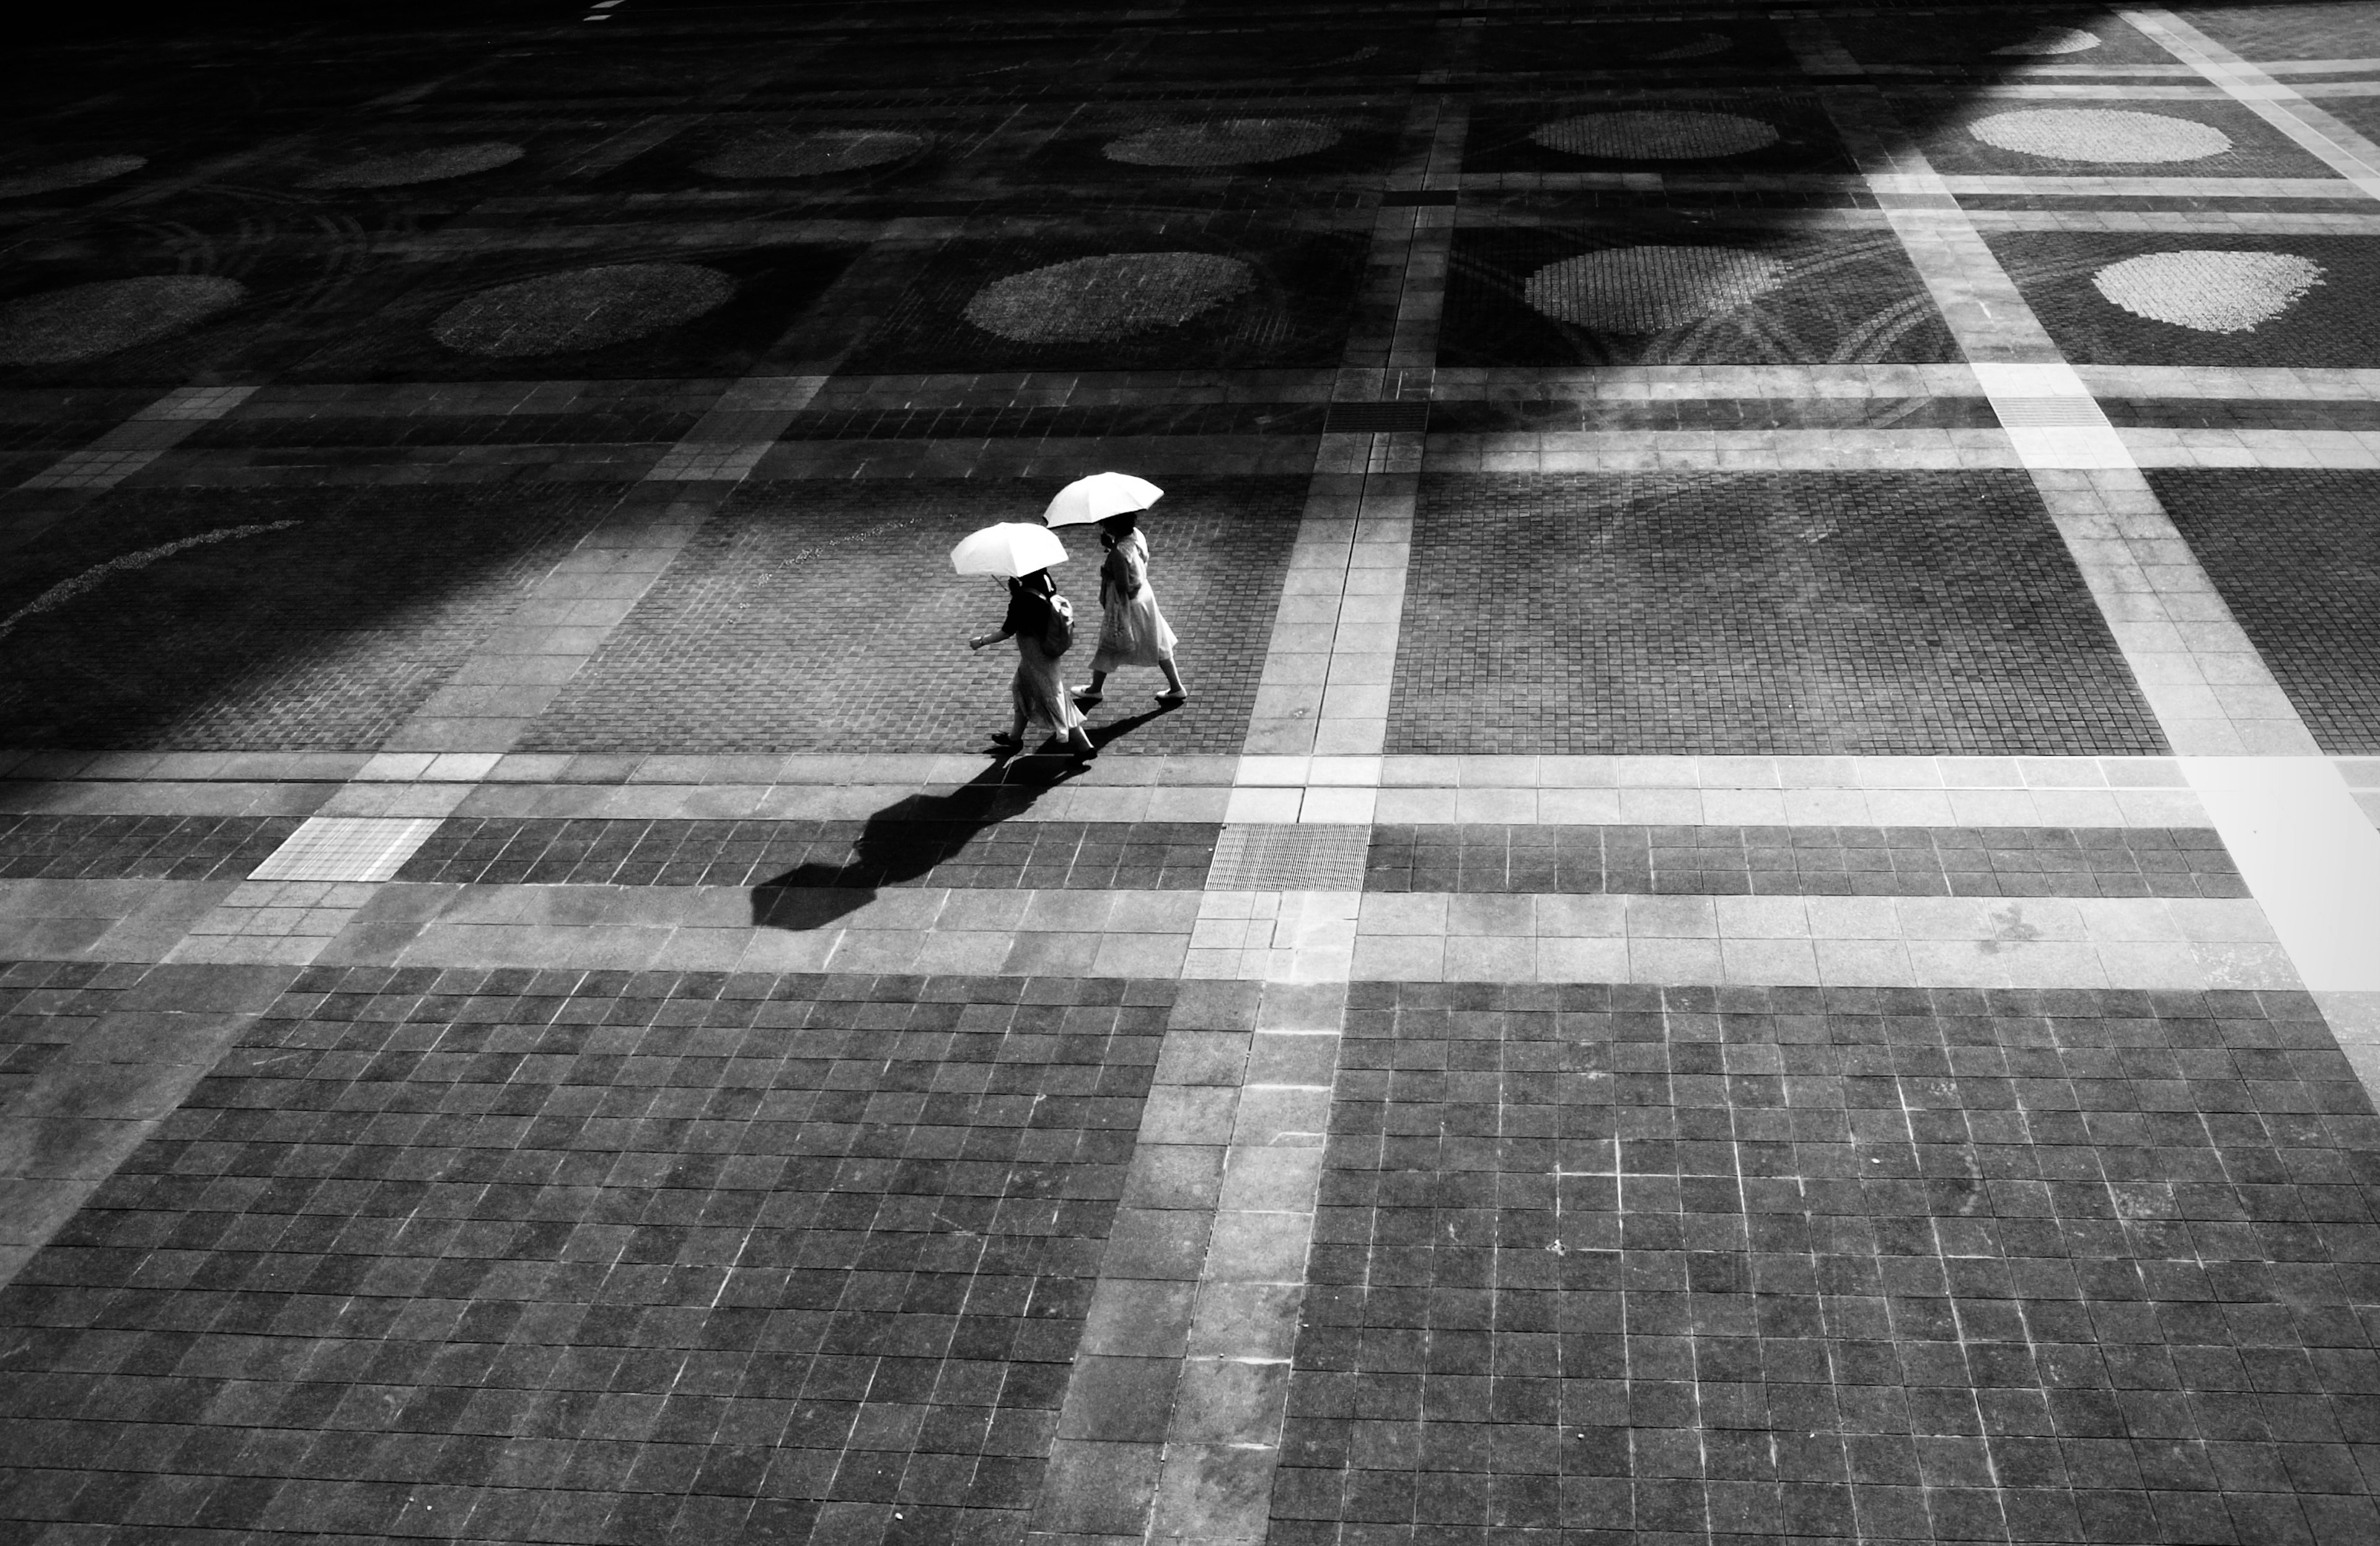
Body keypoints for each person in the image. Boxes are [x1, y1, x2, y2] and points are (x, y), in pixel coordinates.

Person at [968, 568, 1096, 757]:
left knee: (1056, 701)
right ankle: (1014, 738)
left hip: (1037, 658)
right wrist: (1017, 592)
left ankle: (1085, 748)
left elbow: (1007, 631)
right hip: (1039, 655)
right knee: (1021, 689)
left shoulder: (1023, 599)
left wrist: (981, 641)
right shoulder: (1045, 580)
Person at [1075, 512, 1187, 708]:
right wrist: (1112, 548)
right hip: (1146, 597)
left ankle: (1095, 689)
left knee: (1109, 645)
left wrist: (1107, 571)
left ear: (1113, 526)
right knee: (1158, 641)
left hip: (1129, 605)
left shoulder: (1118, 553)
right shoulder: (1137, 536)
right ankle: (1176, 686)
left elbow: (1123, 586)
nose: (1103, 527)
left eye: (1105, 524)